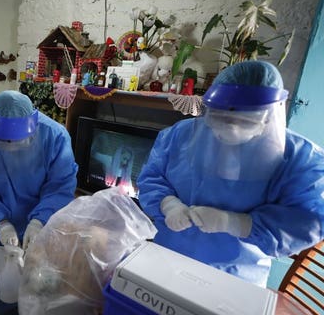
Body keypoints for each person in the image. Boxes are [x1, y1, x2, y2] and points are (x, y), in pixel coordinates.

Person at [137, 61, 324, 287]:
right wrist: (168, 205)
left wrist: (237, 223)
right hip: (168, 256)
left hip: (236, 278)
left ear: (268, 116)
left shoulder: (301, 160)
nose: (231, 127)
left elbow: (308, 221)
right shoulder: (180, 136)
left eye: (244, 120)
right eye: (220, 116)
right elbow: (152, 177)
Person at [0, 90, 78, 250]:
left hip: (43, 224)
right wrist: (0, 223)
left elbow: (61, 186)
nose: (10, 150)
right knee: (1, 270)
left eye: (16, 144)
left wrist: (39, 221)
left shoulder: (55, 135)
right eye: (1, 142)